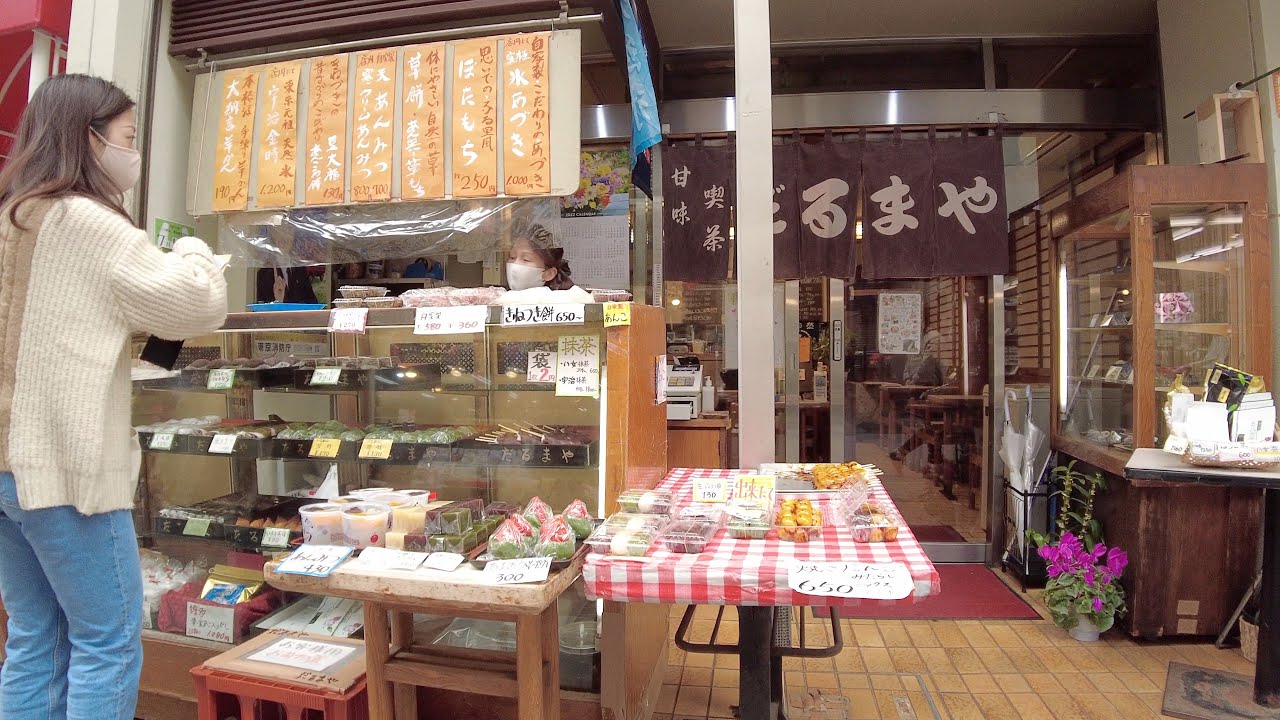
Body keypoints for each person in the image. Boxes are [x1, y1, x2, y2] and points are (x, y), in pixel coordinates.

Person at [0, 74, 228, 720]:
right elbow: (197, 301)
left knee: (34, 639)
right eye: (127, 138)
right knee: (108, 640)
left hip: (6, 475)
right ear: (90, 139)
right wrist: (191, 246)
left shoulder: (13, 214)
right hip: (64, 473)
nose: (132, 152)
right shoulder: (87, 222)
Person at [505, 222, 575, 290]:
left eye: (526, 259)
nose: (515, 264)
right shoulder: (499, 296)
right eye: (512, 257)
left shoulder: (564, 300)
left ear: (549, 274)